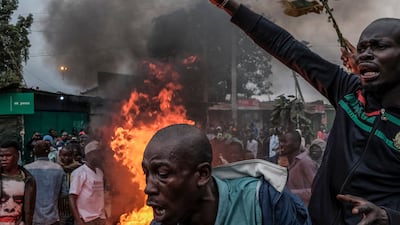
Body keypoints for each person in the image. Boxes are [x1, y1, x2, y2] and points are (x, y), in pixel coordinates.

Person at [208, 1, 400, 224]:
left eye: (379, 46)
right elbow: (288, 47)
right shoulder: (347, 91)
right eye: (363, 48)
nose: (365, 54)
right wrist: (229, 5)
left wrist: (390, 218)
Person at [143, 124, 311, 225]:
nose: (148, 188)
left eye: (162, 173)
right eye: (146, 173)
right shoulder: (163, 221)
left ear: (202, 174)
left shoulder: (263, 202)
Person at [24, 140, 68, 225]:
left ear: (34, 151)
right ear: (49, 151)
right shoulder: (58, 169)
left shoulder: (27, 169)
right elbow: (64, 193)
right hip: (53, 218)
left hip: (32, 218)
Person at [69, 140, 106, 225]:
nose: (100, 157)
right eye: (97, 154)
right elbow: (72, 197)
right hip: (86, 220)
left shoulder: (100, 172)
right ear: (89, 155)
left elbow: (100, 196)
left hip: (100, 218)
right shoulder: (79, 173)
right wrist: (78, 220)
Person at [0, 141, 36, 225]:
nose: (4, 159)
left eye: (8, 155)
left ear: (17, 156)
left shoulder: (28, 180)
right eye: (1, 156)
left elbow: (30, 209)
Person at [279, 131, 317, 206]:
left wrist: (290, 193)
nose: (281, 145)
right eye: (281, 141)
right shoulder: (287, 163)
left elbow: (316, 190)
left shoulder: (305, 162)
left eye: (285, 142)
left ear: (296, 144)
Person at [57, 145, 82, 225]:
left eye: (69, 155)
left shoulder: (79, 169)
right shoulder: (56, 169)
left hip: (76, 208)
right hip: (60, 209)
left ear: (73, 156)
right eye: (64, 155)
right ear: (60, 155)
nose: (66, 158)